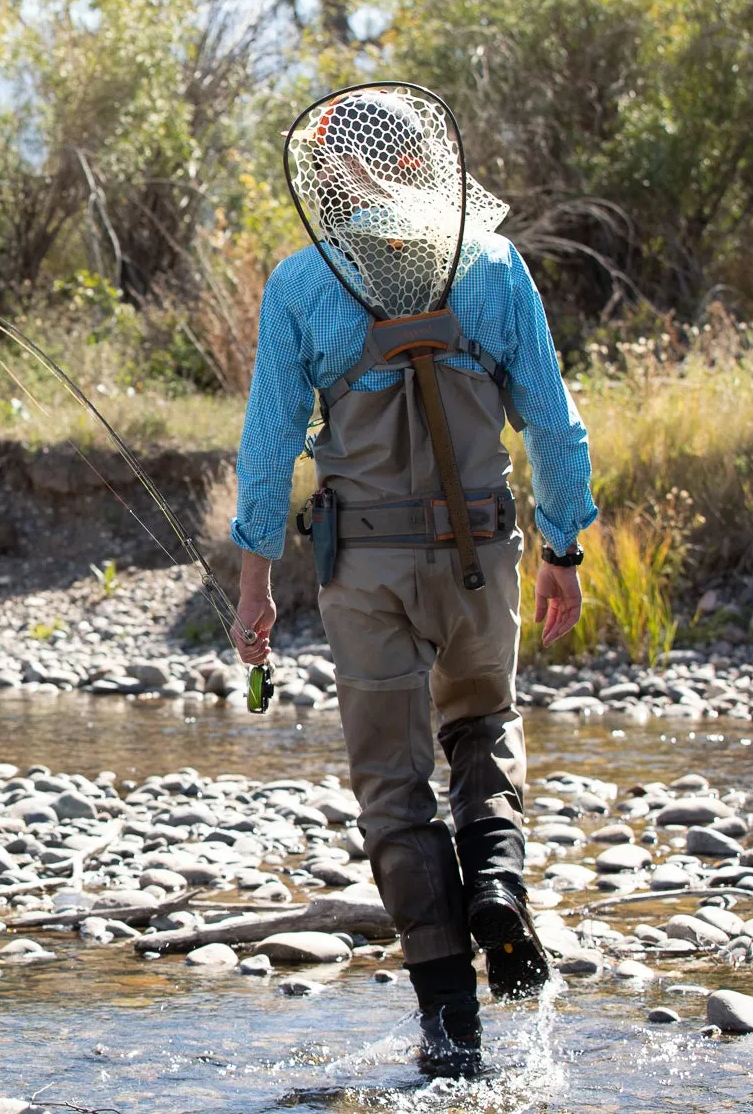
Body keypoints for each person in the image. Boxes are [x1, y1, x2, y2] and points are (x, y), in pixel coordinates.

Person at [227, 88, 597, 1078]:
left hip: (366, 574)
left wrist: (252, 583)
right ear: (419, 164)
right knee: (480, 722)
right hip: (478, 556)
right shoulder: (493, 265)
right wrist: (562, 546)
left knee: (392, 786)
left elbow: (265, 451)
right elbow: (555, 428)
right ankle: (499, 884)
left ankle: (446, 1029)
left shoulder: (300, 282)